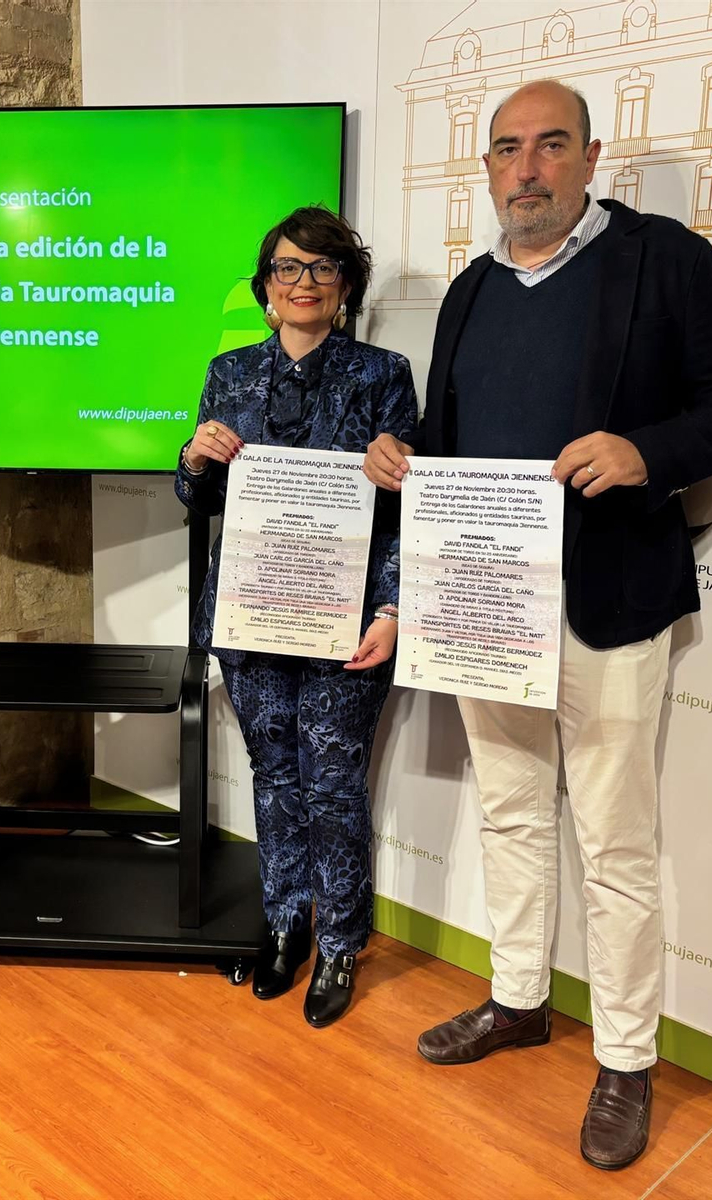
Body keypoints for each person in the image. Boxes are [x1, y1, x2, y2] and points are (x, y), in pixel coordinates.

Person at [364, 81, 712, 1167]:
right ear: (487, 169)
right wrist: (398, 460)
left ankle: (627, 1059)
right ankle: (516, 999)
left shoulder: (662, 261)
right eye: (506, 150)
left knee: (616, 842)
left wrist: (647, 455)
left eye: (550, 146)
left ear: (591, 156)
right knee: (508, 816)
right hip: (483, 607)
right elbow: (443, 439)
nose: (527, 168)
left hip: (606, 600)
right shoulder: (467, 291)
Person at [177, 207, 417, 1028]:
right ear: (266, 287)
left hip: (342, 622)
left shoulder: (385, 374)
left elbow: (400, 508)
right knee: (274, 774)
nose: (303, 283)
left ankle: (342, 940)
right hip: (250, 614)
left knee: (334, 786)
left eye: (321, 269)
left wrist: (391, 607)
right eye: (287, 269)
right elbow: (198, 497)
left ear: (345, 286)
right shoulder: (230, 374)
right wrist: (193, 459)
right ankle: (286, 922)